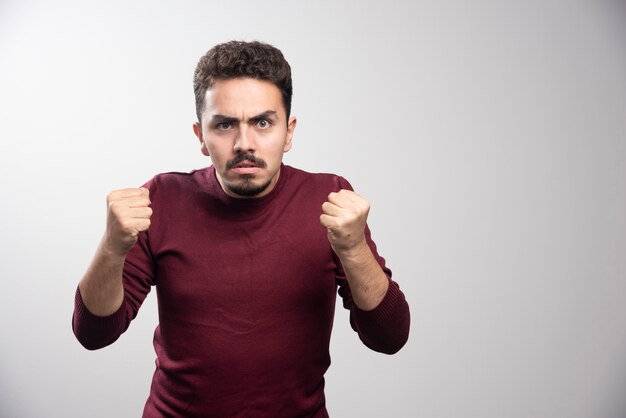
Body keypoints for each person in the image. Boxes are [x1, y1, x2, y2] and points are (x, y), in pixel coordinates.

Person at [72, 40, 410, 417]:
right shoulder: (161, 198)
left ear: (289, 132)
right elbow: (93, 334)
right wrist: (111, 247)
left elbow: (390, 337)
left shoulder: (329, 199)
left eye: (263, 123)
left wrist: (353, 249)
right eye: (225, 125)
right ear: (201, 136)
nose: (244, 143)